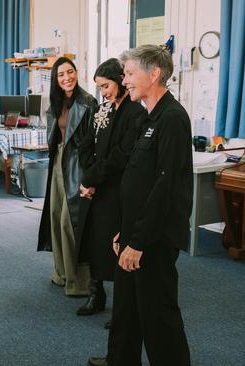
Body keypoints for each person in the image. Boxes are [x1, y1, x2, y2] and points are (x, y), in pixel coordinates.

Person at [87, 45, 192, 366]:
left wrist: (139, 241)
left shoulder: (172, 118)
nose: (126, 80)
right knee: (126, 309)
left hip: (154, 239)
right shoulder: (149, 115)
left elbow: (164, 188)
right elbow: (140, 182)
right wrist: (125, 231)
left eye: (131, 73)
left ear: (154, 74)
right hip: (134, 231)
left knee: (158, 314)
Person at [76, 58, 146, 317]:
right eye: (99, 88)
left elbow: (121, 155)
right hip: (96, 186)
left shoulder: (136, 113)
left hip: (117, 189)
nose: (103, 93)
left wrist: (91, 179)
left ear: (119, 81)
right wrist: (89, 176)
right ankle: (96, 294)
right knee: (93, 240)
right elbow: (85, 144)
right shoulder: (102, 109)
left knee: (115, 244)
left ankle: (124, 307)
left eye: (106, 86)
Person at [37, 57, 98, 296]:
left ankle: (79, 282)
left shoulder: (88, 102)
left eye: (70, 72)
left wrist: (90, 176)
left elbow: (93, 142)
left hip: (78, 164)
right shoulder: (55, 102)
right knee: (55, 218)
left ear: (76, 73)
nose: (67, 78)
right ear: (55, 79)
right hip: (59, 163)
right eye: (61, 74)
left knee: (69, 222)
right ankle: (62, 273)